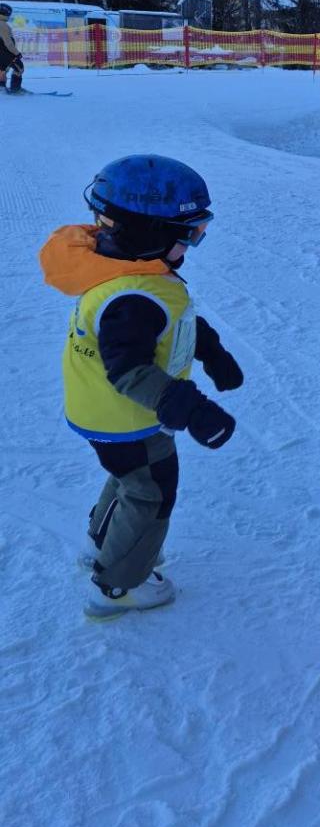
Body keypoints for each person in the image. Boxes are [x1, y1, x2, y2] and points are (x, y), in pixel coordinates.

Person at [39, 154, 242, 620]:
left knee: (129, 477)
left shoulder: (126, 275)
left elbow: (173, 321)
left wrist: (211, 352)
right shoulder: (131, 297)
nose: (193, 245)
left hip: (105, 416)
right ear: (147, 234)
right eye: (190, 234)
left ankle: (103, 545)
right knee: (151, 493)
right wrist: (190, 408)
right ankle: (119, 585)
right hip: (130, 415)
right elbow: (130, 369)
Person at [0, 2, 25, 94]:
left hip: (2, 53)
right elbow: (8, 42)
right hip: (5, 53)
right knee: (19, 68)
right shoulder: (2, 25)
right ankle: (15, 89)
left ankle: (1, 89)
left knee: (2, 70)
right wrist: (17, 53)